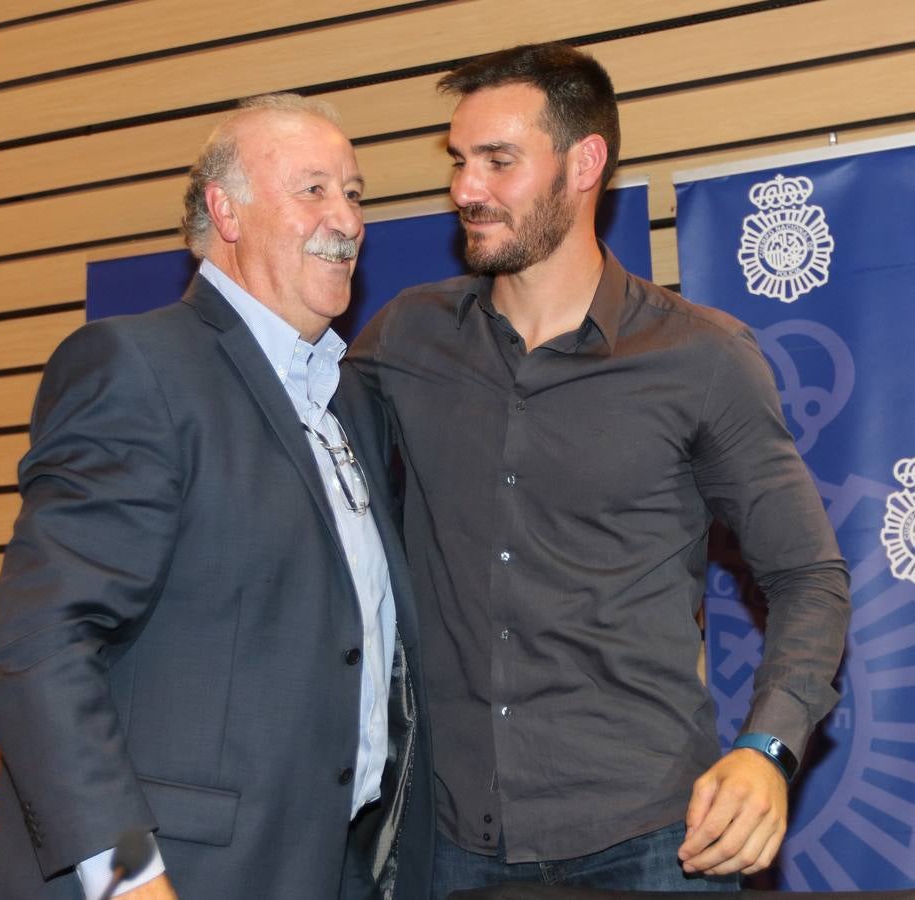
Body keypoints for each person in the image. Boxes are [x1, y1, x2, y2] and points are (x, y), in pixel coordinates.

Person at [348, 42, 850, 898]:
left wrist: (767, 750)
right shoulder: (404, 339)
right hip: (448, 840)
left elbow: (808, 576)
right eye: (460, 162)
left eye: (499, 161)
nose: (467, 189)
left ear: (585, 162)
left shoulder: (700, 355)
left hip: (654, 841)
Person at [0, 93, 433, 900]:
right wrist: (126, 877)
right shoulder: (137, 367)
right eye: (314, 189)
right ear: (226, 210)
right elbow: (39, 650)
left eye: (355, 193)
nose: (348, 219)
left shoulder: (350, 403)